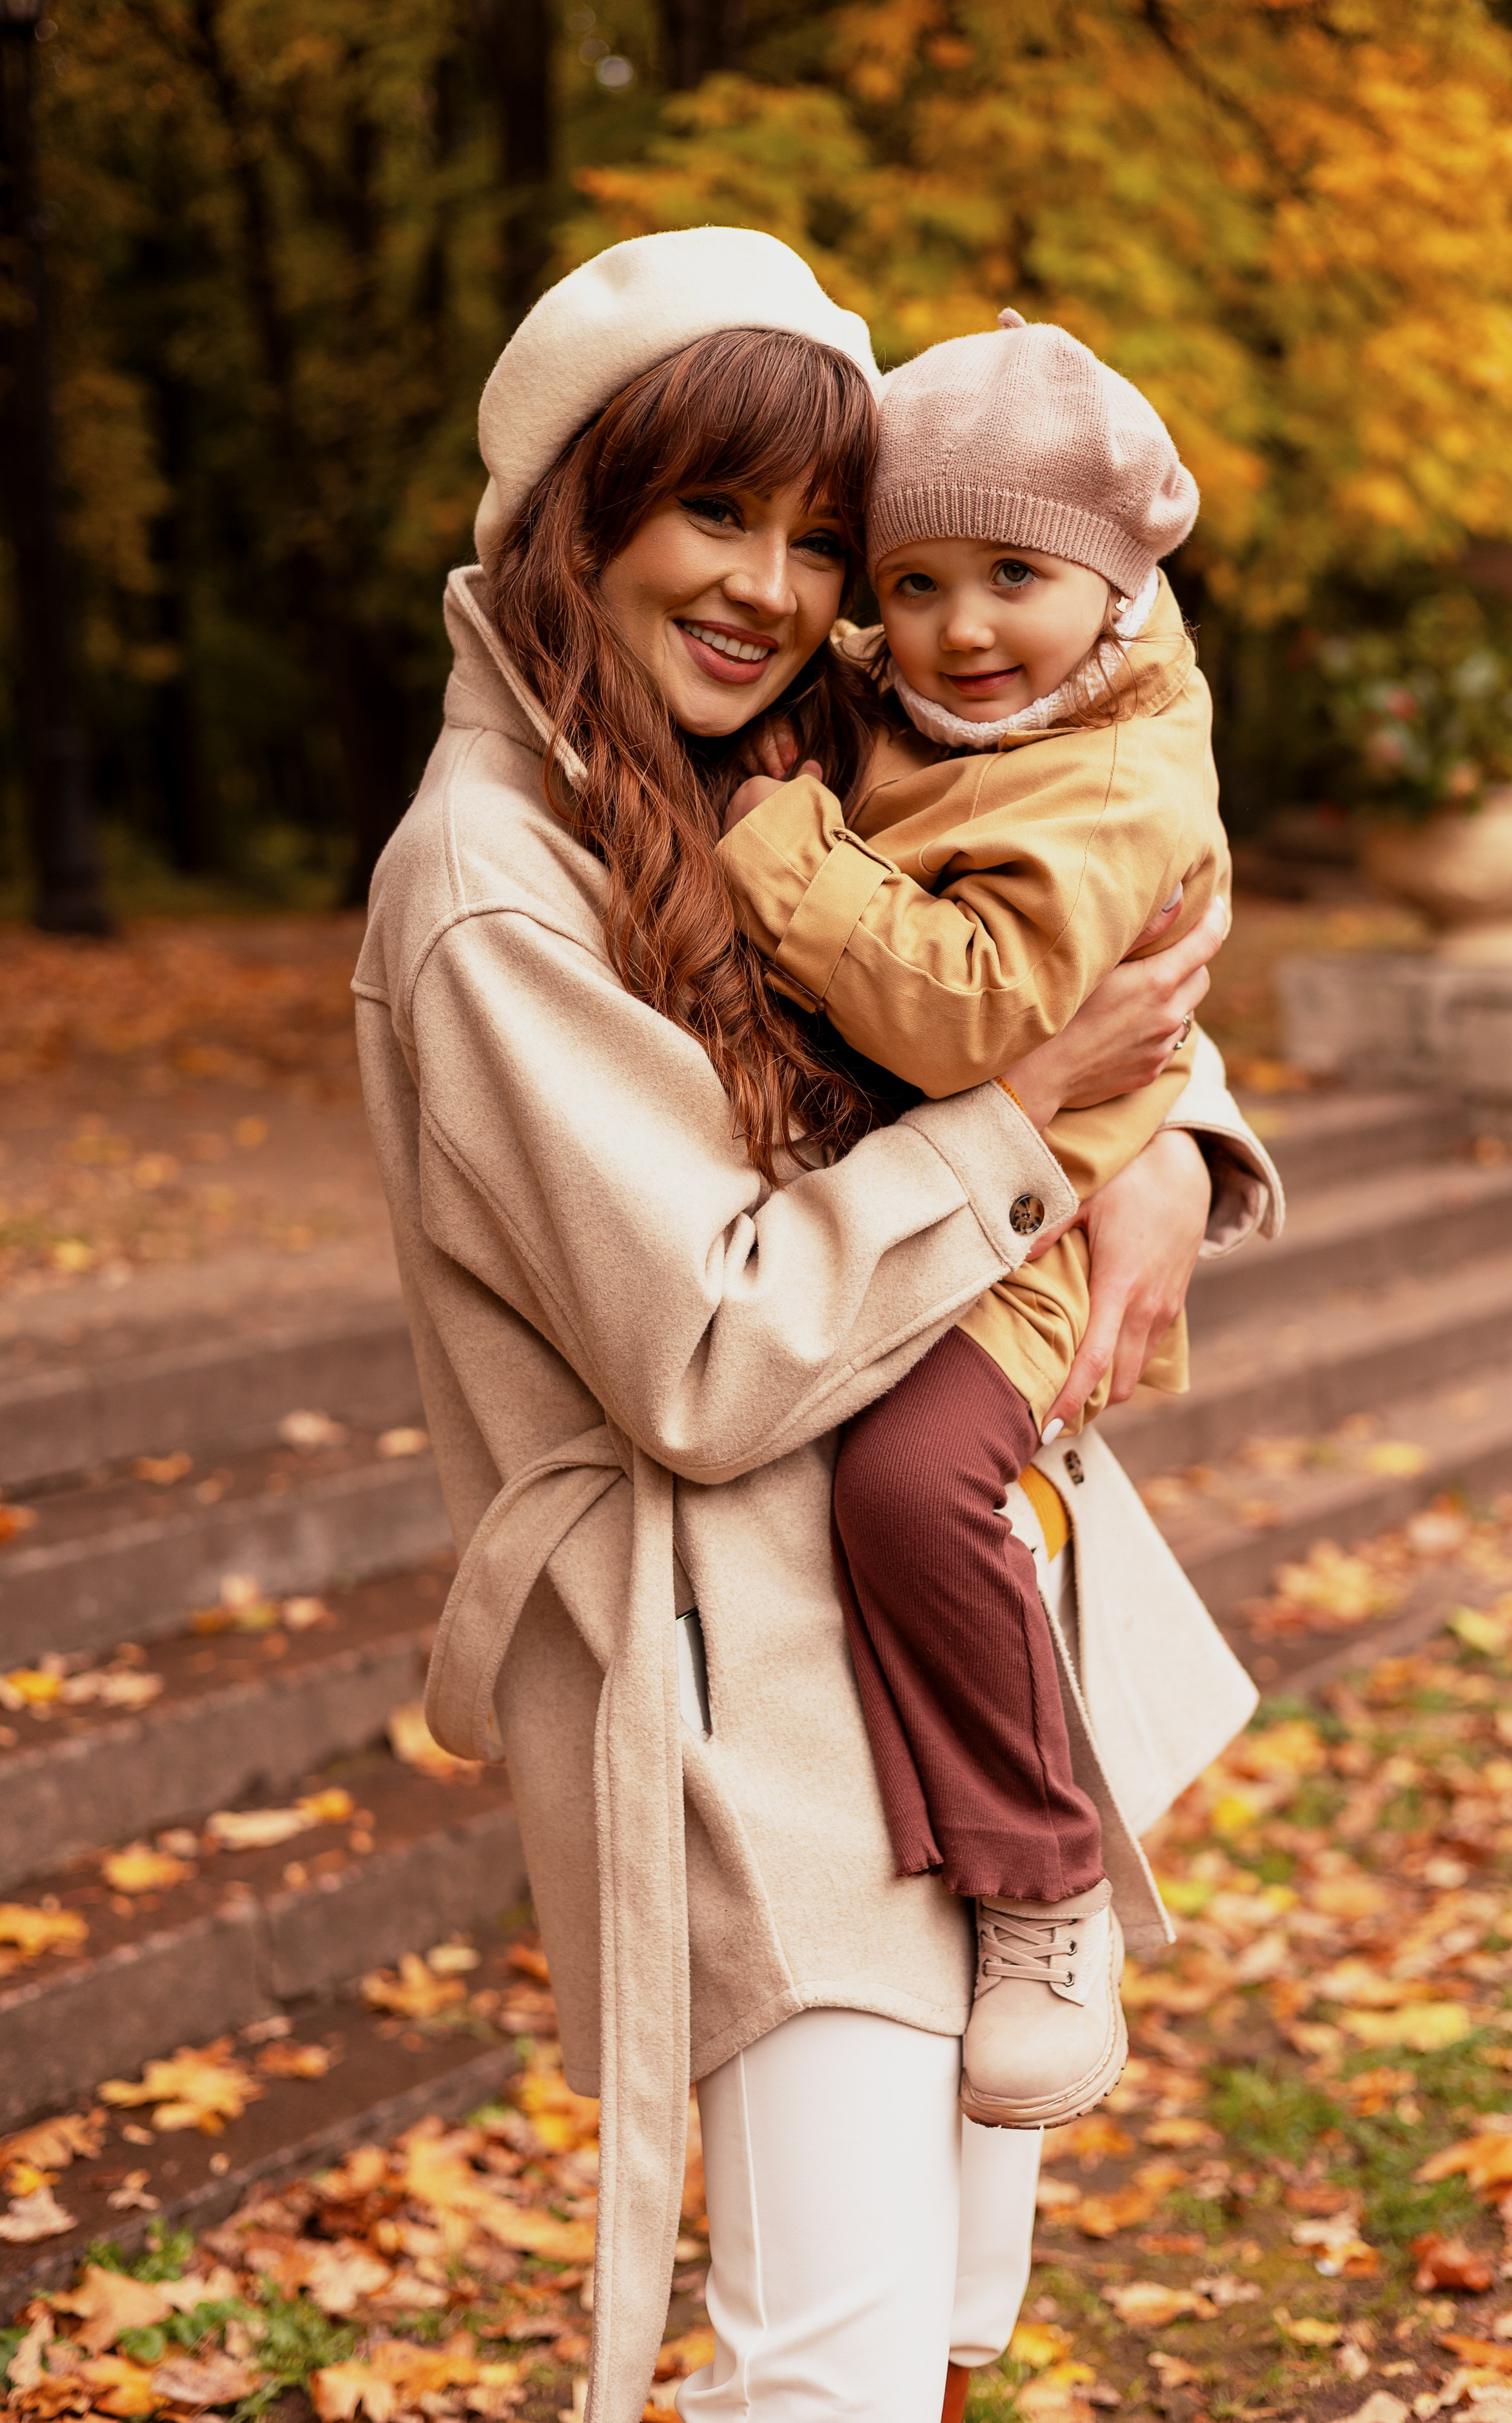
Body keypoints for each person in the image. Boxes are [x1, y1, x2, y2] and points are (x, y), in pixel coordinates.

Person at [354, 227, 1281, 2423]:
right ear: (575, 512)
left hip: (948, 1642)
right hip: (744, 1697)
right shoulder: (494, 881)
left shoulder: (791, 744)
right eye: (713, 514)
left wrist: (1161, 1139)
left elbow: (1047, 923)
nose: (776, 584)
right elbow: (711, 1356)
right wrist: (1040, 1132)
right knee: (837, 2368)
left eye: (820, 536)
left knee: (949, 2326)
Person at [712, 313, 1239, 2131]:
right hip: (922, 1205)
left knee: (907, 1482)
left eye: (1016, 576)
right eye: (916, 582)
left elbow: (967, 1012)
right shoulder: (926, 716)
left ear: (1110, 585)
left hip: (1020, 1238)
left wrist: (781, 852)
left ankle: (1042, 1882)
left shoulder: (1113, 774)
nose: (960, 631)